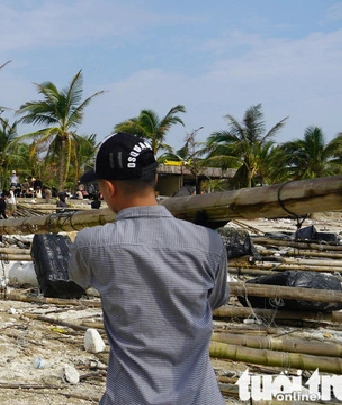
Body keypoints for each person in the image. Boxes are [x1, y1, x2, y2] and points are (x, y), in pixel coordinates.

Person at [68, 133, 229, 405]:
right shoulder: (210, 243)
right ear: (154, 178)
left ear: (108, 187)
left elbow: (78, 278)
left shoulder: (90, 243)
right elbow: (215, 300)